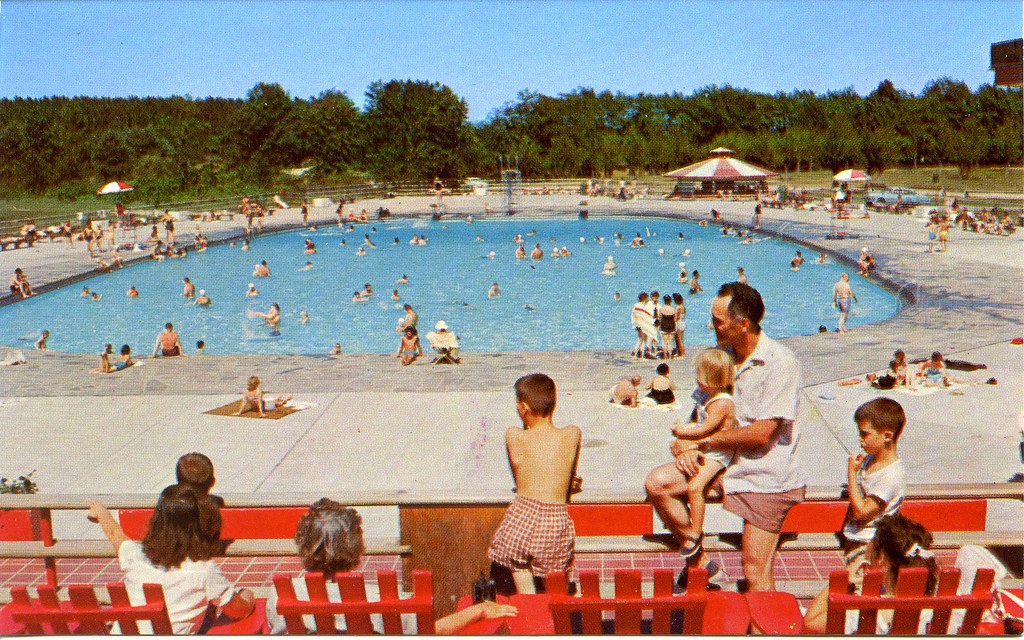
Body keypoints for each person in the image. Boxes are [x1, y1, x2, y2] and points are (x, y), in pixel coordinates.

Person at [647, 282, 805, 592]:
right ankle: (703, 565)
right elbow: (699, 414)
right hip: (723, 467)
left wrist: (703, 443)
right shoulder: (720, 357)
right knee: (658, 483)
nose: (710, 326)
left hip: (764, 475)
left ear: (742, 324)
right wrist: (687, 449)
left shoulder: (780, 362)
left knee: (755, 572)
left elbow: (762, 434)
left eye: (718, 321)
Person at [264, 499, 517, 634]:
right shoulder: (382, 597)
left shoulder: (281, 595)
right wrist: (477, 611)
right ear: (356, 548)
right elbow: (429, 632)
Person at [86, 484, 255, 634]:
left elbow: (117, 537)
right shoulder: (203, 569)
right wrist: (247, 595)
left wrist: (103, 515)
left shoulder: (133, 554)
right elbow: (238, 611)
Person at [487, 374, 582, 595]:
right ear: (554, 403)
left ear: (523, 408)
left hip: (523, 515)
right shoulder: (572, 434)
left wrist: (524, 420)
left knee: (520, 571)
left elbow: (517, 478)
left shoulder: (513, 435)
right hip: (554, 521)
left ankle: (530, 608)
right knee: (555, 586)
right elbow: (570, 478)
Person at [803, 514, 939, 634]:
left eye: (871, 542)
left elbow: (811, 623)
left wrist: (845, 577)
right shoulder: (937, 606)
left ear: (880, 557)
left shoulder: (865, 612)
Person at [664, 348, 737, 561]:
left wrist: (680, 430)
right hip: (709, 449)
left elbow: (704, 429)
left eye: (700, 376)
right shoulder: (710, 398)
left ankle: (695, 532)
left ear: (711, 379)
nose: (697, 380)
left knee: (695, 486)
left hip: (718, 454)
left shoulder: (722, 403)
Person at [840, 398, 908, 584]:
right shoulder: (870, 461)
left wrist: (852, 475)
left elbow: (862, 512)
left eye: (865, 434)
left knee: (857, 588)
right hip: (855, 538)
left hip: (870, 544)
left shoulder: (891, 475)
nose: (860, 439)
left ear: (887, 436)